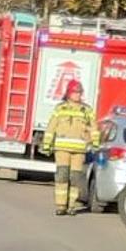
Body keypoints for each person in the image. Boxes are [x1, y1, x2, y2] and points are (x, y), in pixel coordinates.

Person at [42, 80, 96, 216]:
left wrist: (95, 142)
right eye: (75, 92)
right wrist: (47, 145)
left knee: (75, 177)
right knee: (62, 176)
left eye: (79, 92)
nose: (78, 95)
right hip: (61, 149)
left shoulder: (87, 110)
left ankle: (71, 205)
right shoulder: (60, 109)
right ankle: (61, 206)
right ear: (68, 93)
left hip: (79, 150)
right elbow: (51, 127)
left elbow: (94, 128)